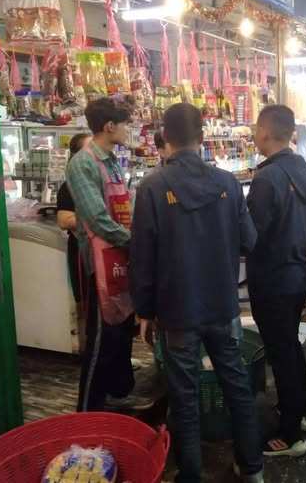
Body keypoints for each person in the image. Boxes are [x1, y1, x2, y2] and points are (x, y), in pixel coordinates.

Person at [130, 103, 263, 483]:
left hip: (177, 311)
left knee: (184, 395)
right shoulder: (228, 184)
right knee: (236, 384)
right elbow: (250, 241)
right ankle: (252, 468)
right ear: (203, 137)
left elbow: (142, 257)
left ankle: (190, 475)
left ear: (164, 137)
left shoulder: (152, 187)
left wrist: (144, 311)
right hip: (223, 304)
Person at [247, 105, 306, 457]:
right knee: (290, 345)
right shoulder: (304, 169)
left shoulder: (267, 178)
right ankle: (301, 412)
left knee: (281, 352)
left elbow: (252, 236)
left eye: (255, 128)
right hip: (299, 271)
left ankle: (290, 436)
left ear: (264, 131)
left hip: (273, 278)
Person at [66, 98, 135, 412]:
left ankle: (119, 397)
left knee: (120, 332)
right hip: (99, 265)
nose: (128, 130)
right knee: (99, 342)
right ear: (110, 126)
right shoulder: (83, 163)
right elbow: (96, 219)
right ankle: (87, 411)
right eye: (125, 124)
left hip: (120, 258)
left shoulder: (112, 161)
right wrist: (134, 241)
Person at [57, 132, 92, 303]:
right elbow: (64, 221)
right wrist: (100, 220)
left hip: (103, 251)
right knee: (86, 301)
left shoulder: (99, 179)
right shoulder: (70, 185)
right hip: (82, 250)